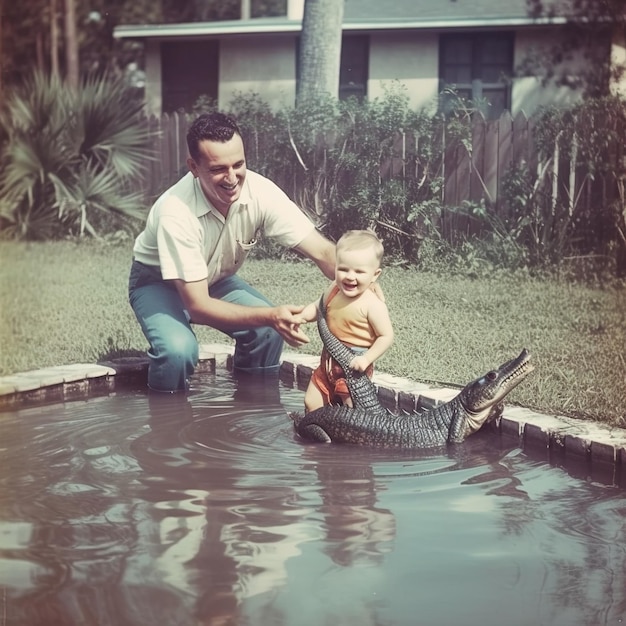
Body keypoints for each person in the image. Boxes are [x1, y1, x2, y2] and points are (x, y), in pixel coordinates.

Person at [128, 112, 336, 392]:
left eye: (239, 164)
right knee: (177, 352)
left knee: (267, 332)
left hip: (215, 279)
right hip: (158, 284)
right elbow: (198, 307)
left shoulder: (260, 191)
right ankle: (167, 424)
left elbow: (322, 251)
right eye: (218, 169)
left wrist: (360, 280)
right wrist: (271, 314)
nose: (232, 178)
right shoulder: (175, 212)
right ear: (193, 166)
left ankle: (250, 412)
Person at [300, 229, 394, 412]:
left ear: (375, 275)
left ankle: (344, 440)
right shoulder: (335, 289)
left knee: (351, 411)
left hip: (354, 368)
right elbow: (319, 306)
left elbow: (386, 336)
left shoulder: (373, 305)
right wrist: (303, 316)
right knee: (311, 403)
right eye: (343, 269)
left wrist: (366, 359)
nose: (350, 276)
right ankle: (313, 436)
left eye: (359, 271)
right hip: (327, 364)